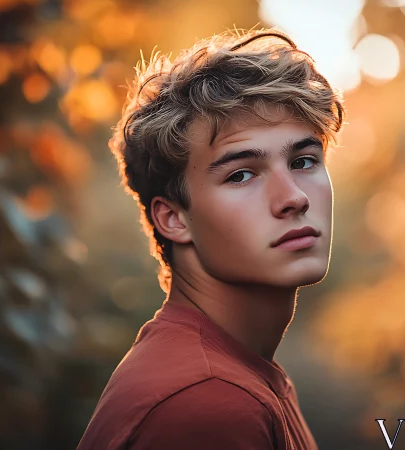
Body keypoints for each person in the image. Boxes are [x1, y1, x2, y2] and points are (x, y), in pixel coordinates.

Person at [76, 28, 345, 450]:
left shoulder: (238, 377)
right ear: (173, 218)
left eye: (304, 161)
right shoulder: (206, 404)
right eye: (241, 174)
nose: (293, 197)